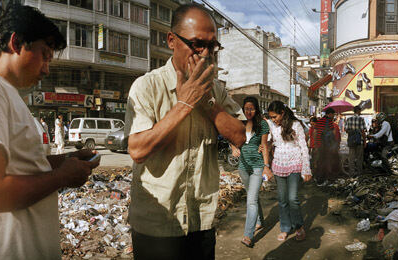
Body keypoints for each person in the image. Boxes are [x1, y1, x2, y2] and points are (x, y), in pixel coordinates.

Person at [0, 5, 99, 259]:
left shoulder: (5, 94)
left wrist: (67, 161)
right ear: (16, 43)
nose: (47, 69)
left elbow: (22, 166)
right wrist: (62, 177)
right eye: (45, 55)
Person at [124, 4, 246, 259]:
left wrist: (206, 103)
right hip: (157, 223)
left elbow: (240, 135)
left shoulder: (216, 90)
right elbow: (137, 150)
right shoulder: (147, 86)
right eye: (196, 44)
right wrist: (184, 105)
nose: (205, 54)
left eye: (212, 46)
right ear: (172, 40)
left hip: (200, 221)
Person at [266, 101, 311, 242]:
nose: (273, 120)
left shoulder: (295, 125)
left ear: (282, 113)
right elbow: (267, 141)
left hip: (294, 164)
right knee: (282, 200)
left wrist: (306, 169)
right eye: (271, 117)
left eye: (275, 117)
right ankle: (285, 228)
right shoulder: (272, 126)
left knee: (293, 198)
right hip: (279, 164)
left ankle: (299, 227)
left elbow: (304, 147)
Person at [230, 97, 270, 248]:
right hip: (243, 166)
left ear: (257, 109)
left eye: (252, 109)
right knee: (252, 196)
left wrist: (266, 165)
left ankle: (248, 235)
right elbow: (231, 137)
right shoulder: (239, 123)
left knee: (251, 200)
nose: (249, 111)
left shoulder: (262, 124)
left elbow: (264, 146)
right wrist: (233, 148)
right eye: (246, 108)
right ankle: (259, 221)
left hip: (257, 166)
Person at [313, 108, 340, 185]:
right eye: (333, 114)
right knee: (325, 162)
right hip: (326, 145)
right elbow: (333, 133)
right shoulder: (329, 122)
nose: (333, 116)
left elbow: (315, 132)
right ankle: (321, 180)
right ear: (330, 114)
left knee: (320, 161)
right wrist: (334, 144)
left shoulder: (319, 121)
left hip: (319, 144)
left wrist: (315, 143)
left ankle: (318, 177)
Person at [344, 106, 366, 176]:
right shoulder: (361, 119)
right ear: (358, 111)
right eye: (360, 111)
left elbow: (346, 130)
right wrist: (365, 141)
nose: (361, 113)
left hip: (351, 141)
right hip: (359, 141)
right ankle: (359, 174)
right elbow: (363, 131)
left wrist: (352, 132)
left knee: (351, 158)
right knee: (359, 158)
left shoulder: (349, 119)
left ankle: (351, 174)